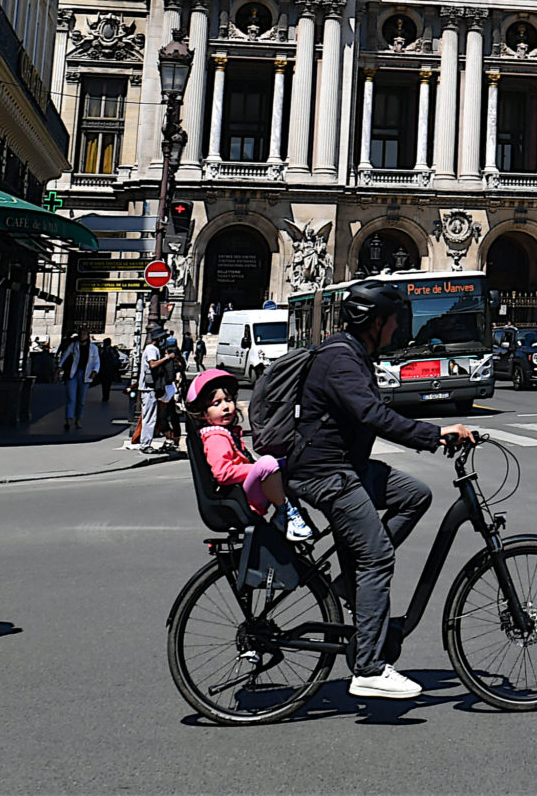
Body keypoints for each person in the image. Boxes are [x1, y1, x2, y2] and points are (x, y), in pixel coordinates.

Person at [282, 281, 475, 703]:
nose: (397, 330)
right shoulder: (342, 360)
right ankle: (368, 667)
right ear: (375, 323)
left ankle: (353, 586)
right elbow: (372, 415)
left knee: (414, 495)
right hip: (325, 473)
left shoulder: (355, 354)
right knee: (378, 556)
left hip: (346, 466)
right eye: (393, 322)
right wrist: (435, 434)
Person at [188, 369, 311, 543]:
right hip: (242, 498)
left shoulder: (226, 432)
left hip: (244, 492)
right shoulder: (216, 437)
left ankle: (292, 508)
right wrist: (256, 468)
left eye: (228, 400)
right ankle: (285, 512)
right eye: (216, 403)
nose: (225, 407)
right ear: (203, 412)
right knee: (268, 464)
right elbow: (222, 473)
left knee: (284, 463)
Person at [56, 327, 99, 432]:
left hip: (86, 374)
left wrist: (95, 371)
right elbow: (65, 356)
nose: (82, 336)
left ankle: (78, 419)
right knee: (71, 398)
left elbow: (97, 361)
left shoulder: (93, 348)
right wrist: (59, 367)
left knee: (81, 399)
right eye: (81, 334)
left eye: (84, 334)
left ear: (88, 336)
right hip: (74, 374)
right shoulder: (74, 345)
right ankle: (68, 419)